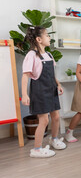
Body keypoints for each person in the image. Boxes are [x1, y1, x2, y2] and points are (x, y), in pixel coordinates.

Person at [21, 26, 66, 158]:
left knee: (56, 117)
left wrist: (58, 84)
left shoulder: (49, 55)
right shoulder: (31, 55)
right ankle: (36, 149)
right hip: (39, 91)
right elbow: (25, 75)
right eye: (47, 35)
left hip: (52, 90)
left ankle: (54, 139)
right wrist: (24, 94)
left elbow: (52, 74)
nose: (49, 37)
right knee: (44, 121)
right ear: (39, 39)